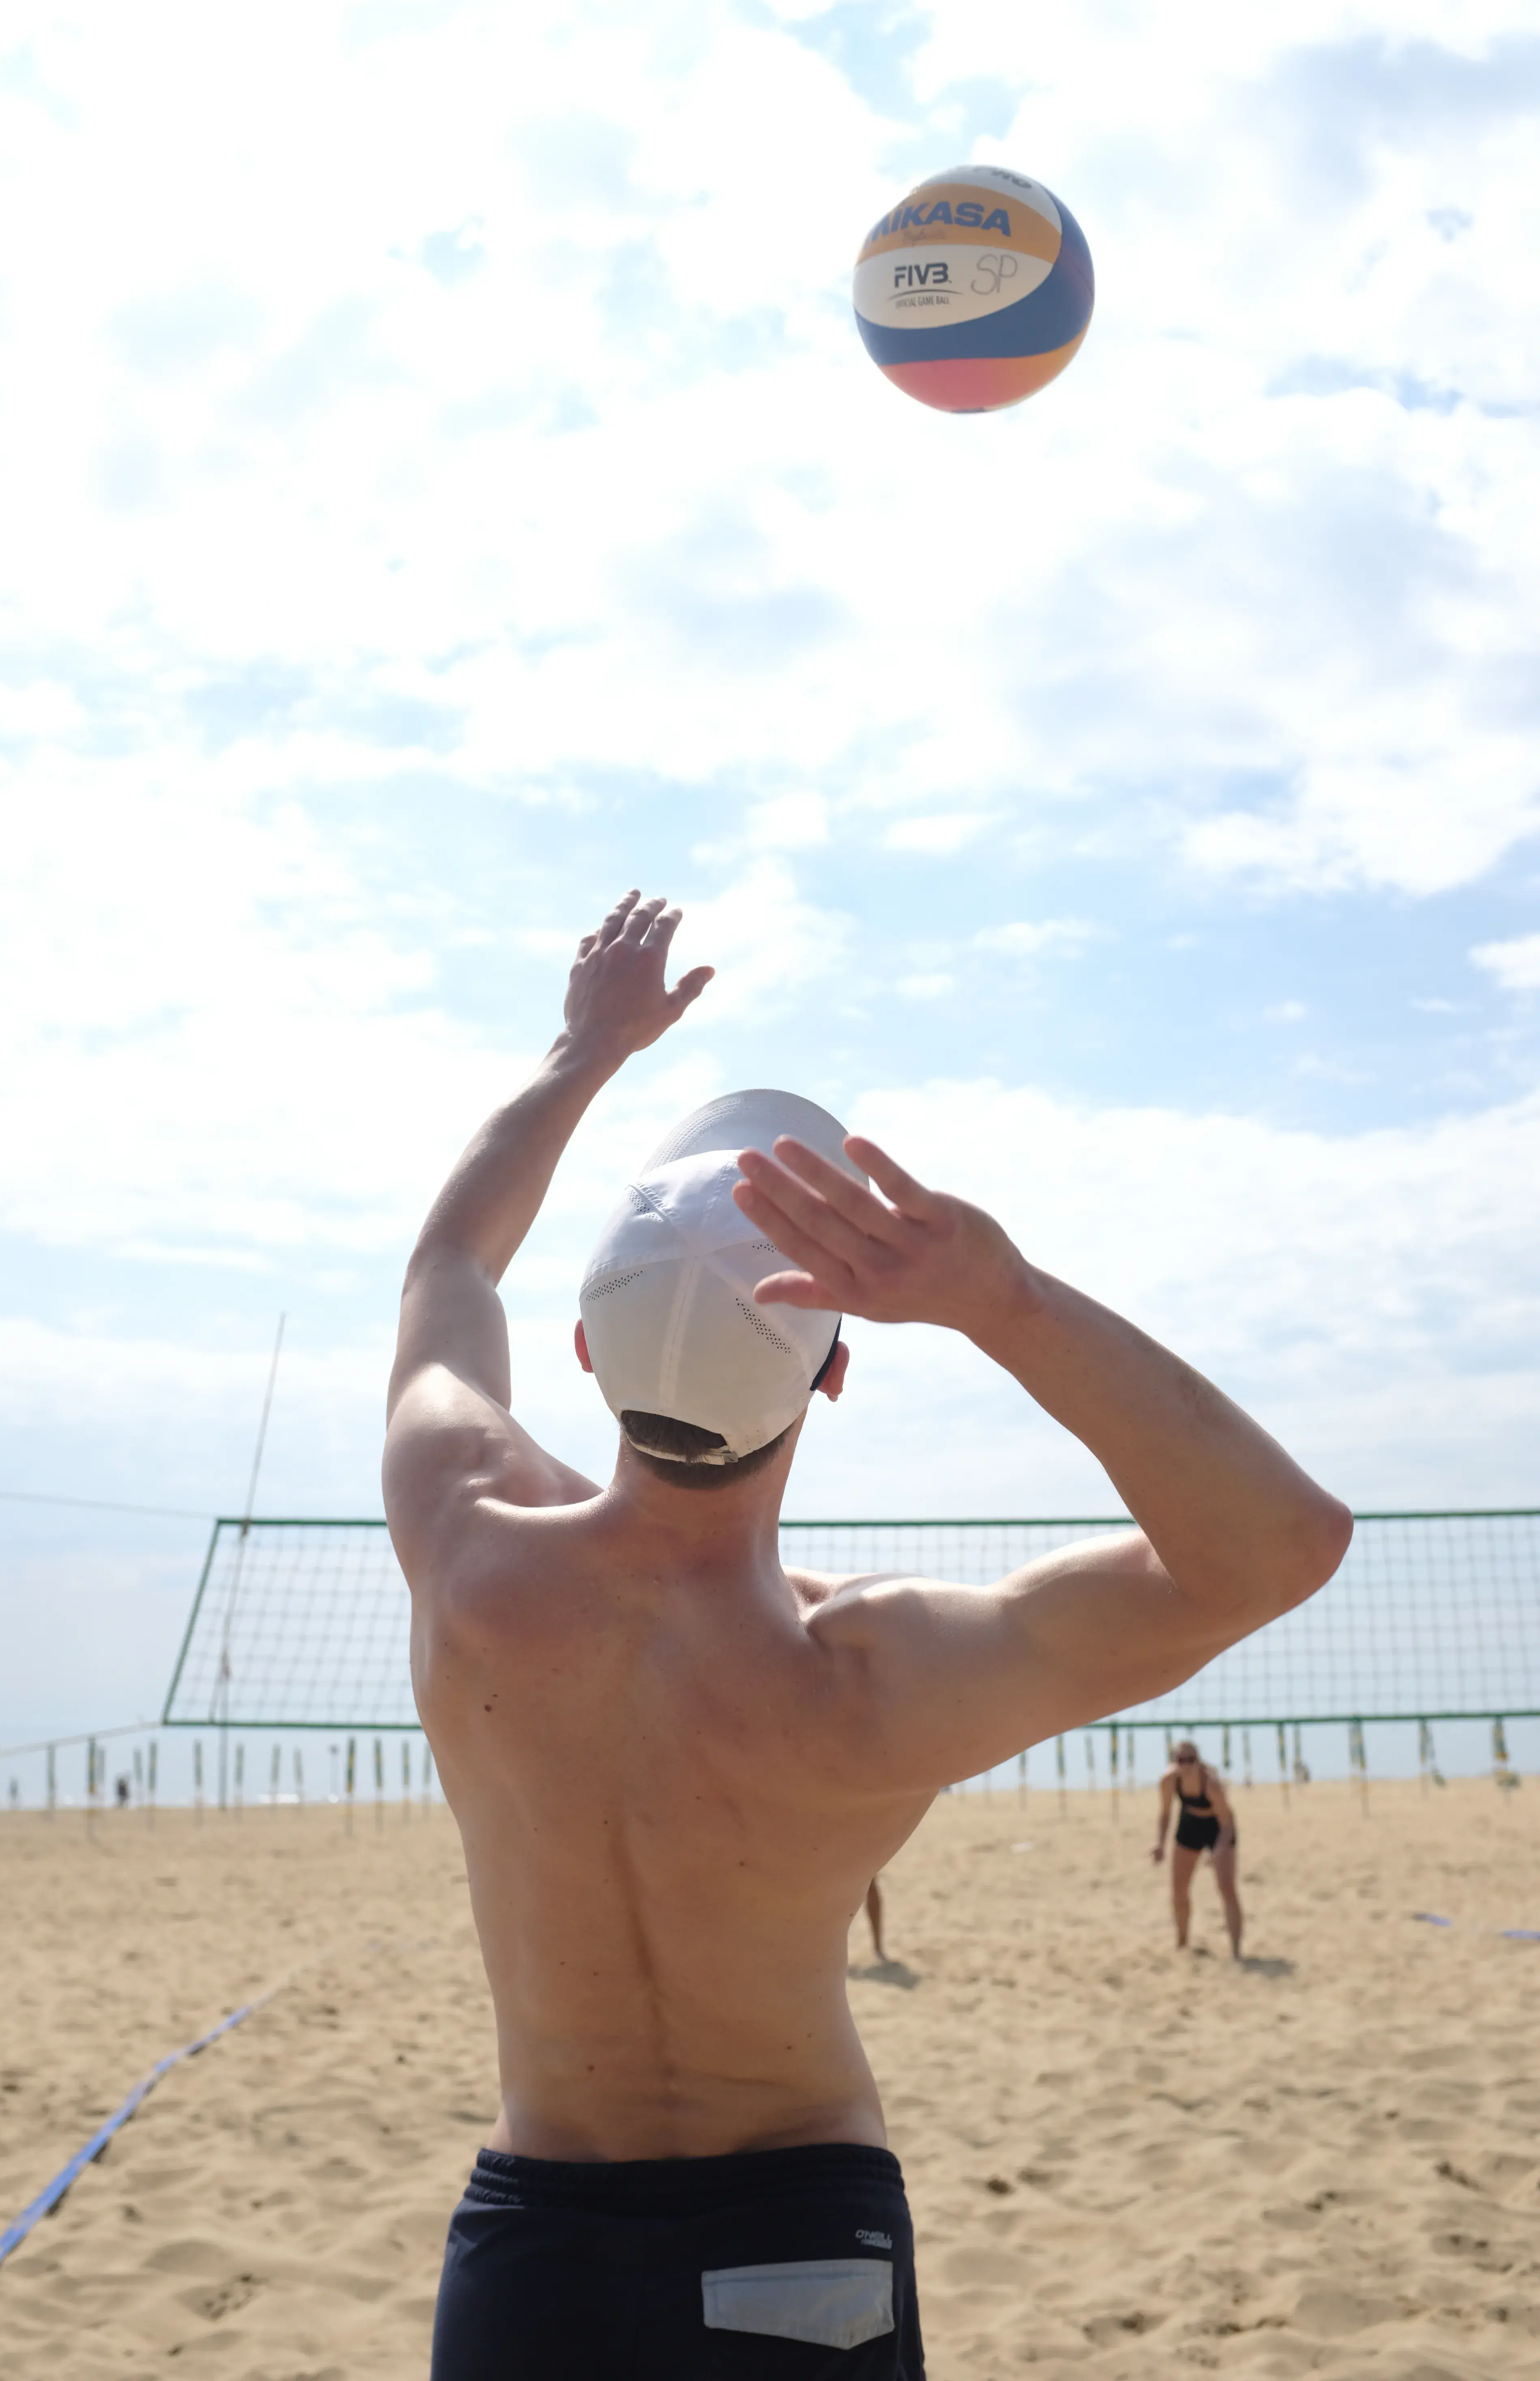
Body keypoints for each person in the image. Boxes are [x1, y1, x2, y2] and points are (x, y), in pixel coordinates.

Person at [382, 889, 1352, 2380]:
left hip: (537, 2252)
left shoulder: (465, 1542)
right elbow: (1281, 1545)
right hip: (792, 2234)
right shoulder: (866, 1676)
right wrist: (1001, 1300)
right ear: (831, 1376)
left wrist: (587, 1048)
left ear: (583, 1353)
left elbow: (449, 1263)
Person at [1152, 1740, 1243, 1958]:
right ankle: (1182, 1945)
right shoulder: (1168, 1781)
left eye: (1191, 1760)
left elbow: (1228, 1823)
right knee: (1179, 1890)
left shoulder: (1211, 1783)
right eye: (1181, 1760)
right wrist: (1160, 1844)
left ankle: (1236, 1953)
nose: (1186, 1765)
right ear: (1173, 1762)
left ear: (1198, 1761)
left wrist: (1218, 1851)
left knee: (1227, 1888)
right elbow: (1165, 1814)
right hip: (1190, 1824)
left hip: (1219, 1828)